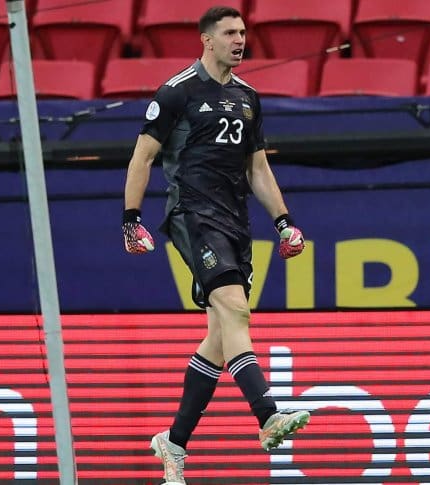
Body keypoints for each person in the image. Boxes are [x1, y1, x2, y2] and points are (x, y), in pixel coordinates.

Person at [121, 5, 310, 485]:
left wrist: (284, 221)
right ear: (207, 40)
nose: (240, 40)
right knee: (236, 310)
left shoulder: (249, 97)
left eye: (243, 32)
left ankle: (174, 442)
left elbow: (258, 169)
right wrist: (131, 219)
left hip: (235, 222)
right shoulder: (177, 91)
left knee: (222, 337)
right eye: (230, 33)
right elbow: (143, 156)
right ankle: (266, 415)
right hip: (192, 216)